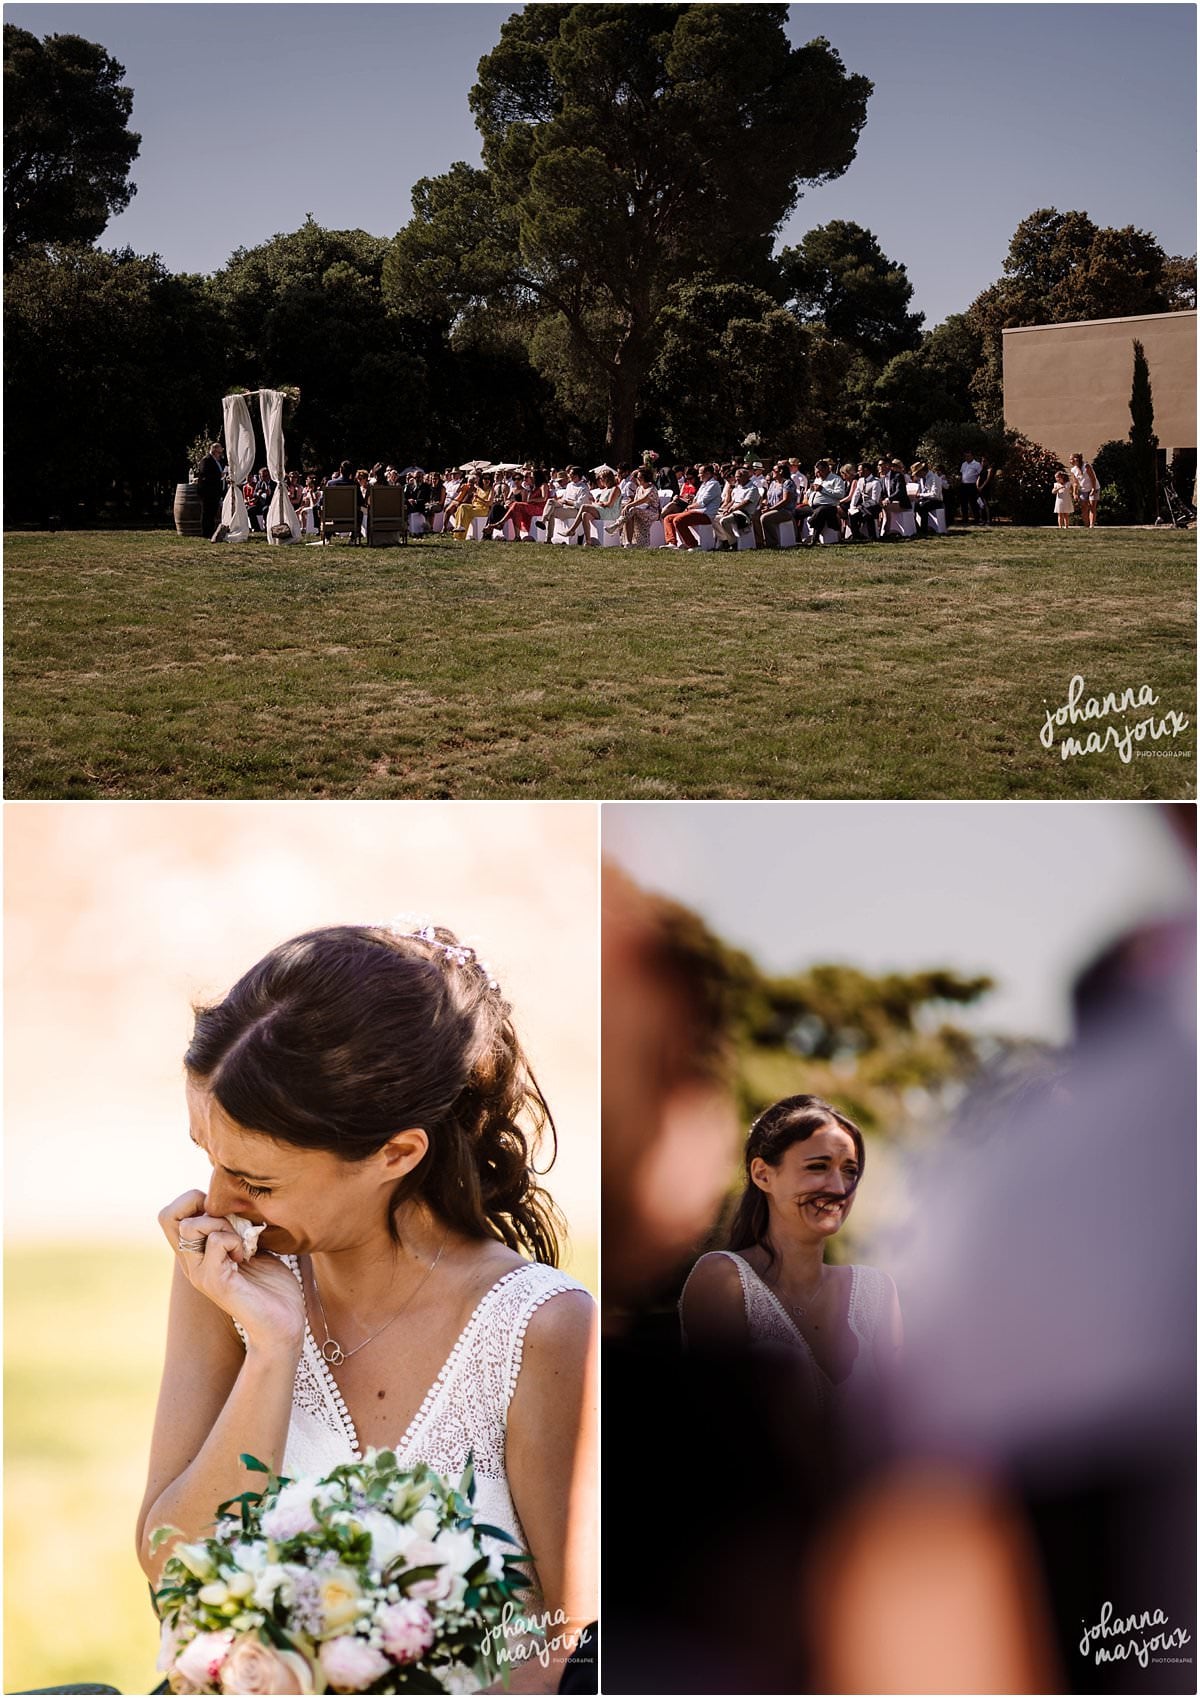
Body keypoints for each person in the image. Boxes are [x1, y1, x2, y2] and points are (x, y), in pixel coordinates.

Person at [137, 922, 597, 1694]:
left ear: (396, 1153)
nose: (217, 1203)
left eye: (259, 1181)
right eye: (207, 1157)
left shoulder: (540, 1328)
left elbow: (563, 1634)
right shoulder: (221, 1283)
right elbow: (171, 1571)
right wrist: (273, 1347)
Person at [678, 1095, 901, 1423]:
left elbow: (901, 1420)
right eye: (818, 1167)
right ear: (763, 1174)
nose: (839, 1187)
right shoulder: (724, 1280)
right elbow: (719, 1426)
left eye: (850, 1171)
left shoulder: (876, 1290)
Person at [661, 464, 723, 550]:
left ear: (708, 473)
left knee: (678, 520)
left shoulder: (713, 484)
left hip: (706, 515)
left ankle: (693, 545)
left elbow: (702, 503)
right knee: (668, 518)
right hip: (696, 512)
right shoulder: (704, 484)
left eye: (700, 473)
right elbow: (697, 500)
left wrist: (690, 507)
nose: (698, 475)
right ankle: (672, 543)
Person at [711, 466, 761, 550]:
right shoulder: (738, 487)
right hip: (734, 511)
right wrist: (726, 508)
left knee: (724, 521)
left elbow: (745, 503)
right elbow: (733, 501)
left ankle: (733, 543)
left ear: (746, 477)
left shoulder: (752, 489)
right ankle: (724, 540)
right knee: (714, 518)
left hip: (744, 514)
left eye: (739, 477)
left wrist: (732, 509)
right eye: (736, 477)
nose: (737, 479)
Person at [540, 468, 592, 542]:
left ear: (577, 476)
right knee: (550, 501)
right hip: (565, 505)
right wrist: (561, 501)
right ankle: (543, 521)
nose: (569, 475)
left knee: (551, 512)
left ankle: (548, 538)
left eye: (571, 474)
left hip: (575, 510)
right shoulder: (569, 485)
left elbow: (580, 504)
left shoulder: (583, 488)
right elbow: (565, 497)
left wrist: (567, 502)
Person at [804, 460, 848, 544]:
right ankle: (798, 537)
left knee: (820, 512)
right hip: (813, 506)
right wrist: (810, 491)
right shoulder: (817, 479)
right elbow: (811, 492)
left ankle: (812, 527)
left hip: (829, 506)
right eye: (817, 471)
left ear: (827, 469)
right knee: (797, 511)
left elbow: (840, 494)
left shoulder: (836, 479)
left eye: (821, 471)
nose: (819, 473)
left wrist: (823, 490)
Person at [617, 467, 661, 548]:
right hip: (641, 510)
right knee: (629, 510)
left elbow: (642, 500)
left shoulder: (652, 489)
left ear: (645, 478)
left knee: (632, 509)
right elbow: (636, 501)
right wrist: (626, 506)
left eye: (639, 477)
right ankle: (628, 542)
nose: (637, 479)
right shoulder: (639, 488)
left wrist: (629, 505)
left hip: (652, 512)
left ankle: (618, 524)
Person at [847, 462, 884, 542]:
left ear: (866, 470)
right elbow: (856, 495)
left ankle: (872, 536)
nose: (858, 472)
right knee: (852, 514)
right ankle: (856, 535)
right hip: (863, 506)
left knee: (867, 513)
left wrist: (862, 506)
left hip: (874, 507)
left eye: (860, 470)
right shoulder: (860, 481)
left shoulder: (875, 482)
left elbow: (875, 500)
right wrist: (852, 506)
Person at [196, 442, 225, 541]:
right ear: (215, 450)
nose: (221, 452)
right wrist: (219, 476)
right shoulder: (206, 460)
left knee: (212, 512)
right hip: (208, 492)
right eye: (220, 450)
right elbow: (204, 475)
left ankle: (211, 531)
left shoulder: (218, 461)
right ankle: (206, 532)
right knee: (207, 512)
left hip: (215, 491)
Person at [1068, 452, 1099, 528]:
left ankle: (1092, 525)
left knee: (1092, 506)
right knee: (1084, 507)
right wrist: (1074, 493)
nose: (1069, 461)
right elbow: (1075, 483)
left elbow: (1093, 478)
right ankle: (1086, 525)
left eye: (1070, 459)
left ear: (1076, 460)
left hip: (1094, 488)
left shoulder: (1086, 466)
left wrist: (1093, 489)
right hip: (1083, 490)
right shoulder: (1073, 470)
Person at [959, 450, 983, 524]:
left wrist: (978, 484)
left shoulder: (977, 464)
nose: (967, 457)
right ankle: (965, 519)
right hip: (964, 485)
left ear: (972, 456)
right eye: (966, 456)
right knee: (963, 503)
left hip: (972, 485)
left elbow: (980, 475)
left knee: (973, 503)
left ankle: (977, 519)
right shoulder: (964, 464)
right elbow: (962, 474)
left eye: (968, 456)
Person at [974, 453, 994, 525]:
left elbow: (987, 479)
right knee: (980, 504)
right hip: (979, 489)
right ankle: (982, 519)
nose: (983, 462)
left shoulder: (989, 469)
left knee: (985, 504)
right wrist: (977, 486)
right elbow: (978, 478)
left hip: (985, 488)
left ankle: (988, 520)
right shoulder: (981, 469)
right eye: (982, 461)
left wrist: (982, 487)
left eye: (984, 461)